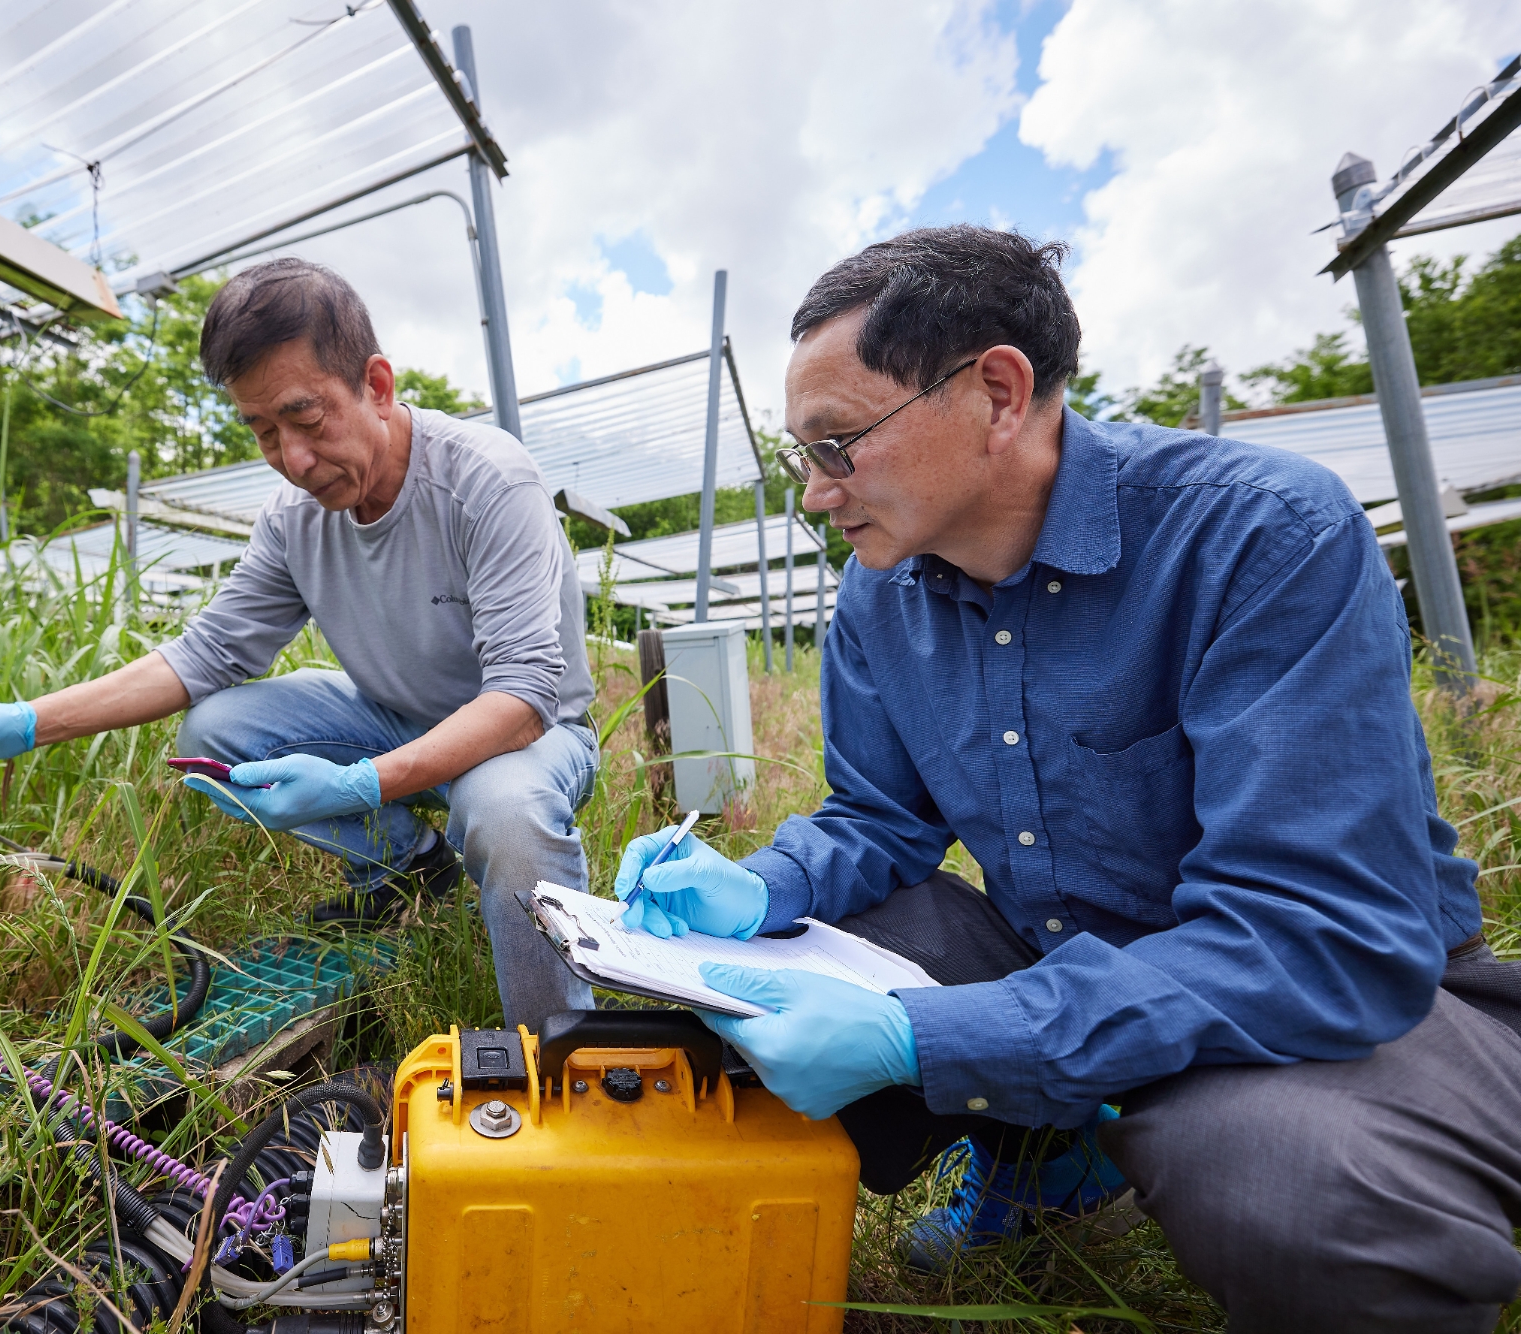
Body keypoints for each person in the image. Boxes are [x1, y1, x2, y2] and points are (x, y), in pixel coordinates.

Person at [614, 225, 1521, 1332]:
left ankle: (1193, 1140)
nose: (814, 491)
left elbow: (1314, 935)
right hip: (1068, 952)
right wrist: (760, 885)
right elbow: (876, 818)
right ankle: (1048, 1160)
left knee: (1281, 1184)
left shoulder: (1260, 534)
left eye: (837, 444)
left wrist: (923, 1039)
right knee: (742, 983)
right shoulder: (879, 595)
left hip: (1339, 997)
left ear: (996, 390)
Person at [0, 259, 597, 1031]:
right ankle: (408, 869)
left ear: (378, 384)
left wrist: (360, 783)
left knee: (499, 810)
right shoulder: (294, 522)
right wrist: (25, 721)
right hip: (397, 719)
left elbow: (526, 700)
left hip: (525, 739)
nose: (292, 460)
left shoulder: (486, 482)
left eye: (307, 417)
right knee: (216, 733)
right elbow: (202, 659)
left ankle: (563, 1052)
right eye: (263, 430)